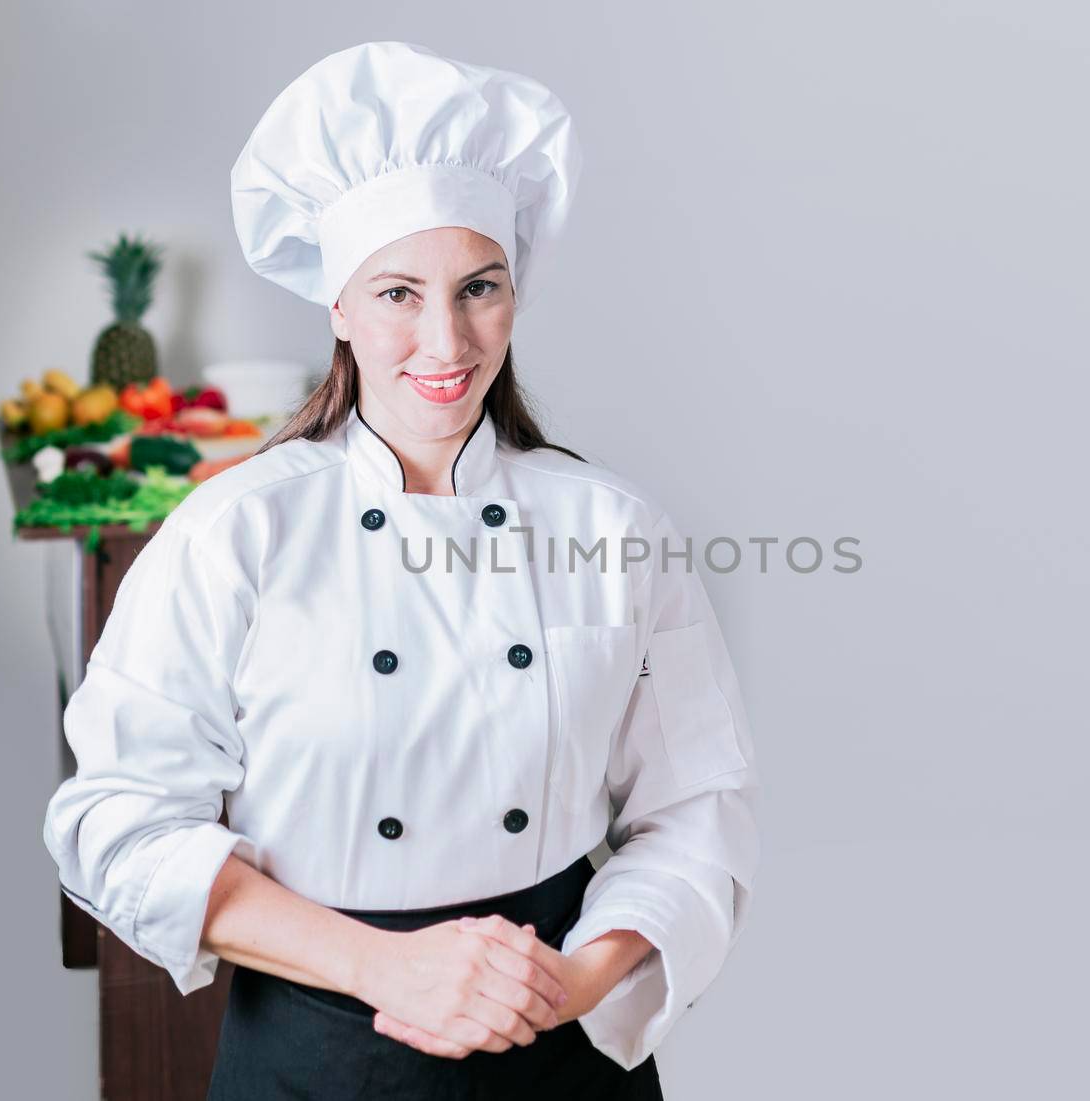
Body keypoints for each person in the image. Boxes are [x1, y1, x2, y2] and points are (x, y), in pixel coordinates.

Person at [42, 40, 761, 1099]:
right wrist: (385, 967)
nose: (445, 338)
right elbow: (114, 821)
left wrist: (565, 985)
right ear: (336, 305)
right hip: (317, 1053)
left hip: (553, 1048)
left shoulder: (614, 529)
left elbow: (699, 804)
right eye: (395, 293)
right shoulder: (236, 532)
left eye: (480, 288)